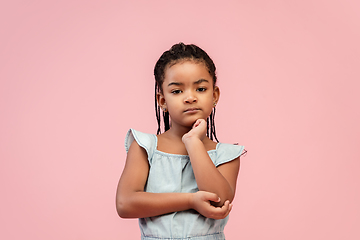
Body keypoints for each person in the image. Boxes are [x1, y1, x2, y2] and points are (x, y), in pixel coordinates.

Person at [116, 43, 246, 240]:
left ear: (214, 95)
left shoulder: (226, 154)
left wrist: (193, 142)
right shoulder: (145, 147)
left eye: (201, 88)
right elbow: (125, 204)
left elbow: (219, 201)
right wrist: (190, 201)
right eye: (177, 91)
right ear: (162, 101)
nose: (190, 97)